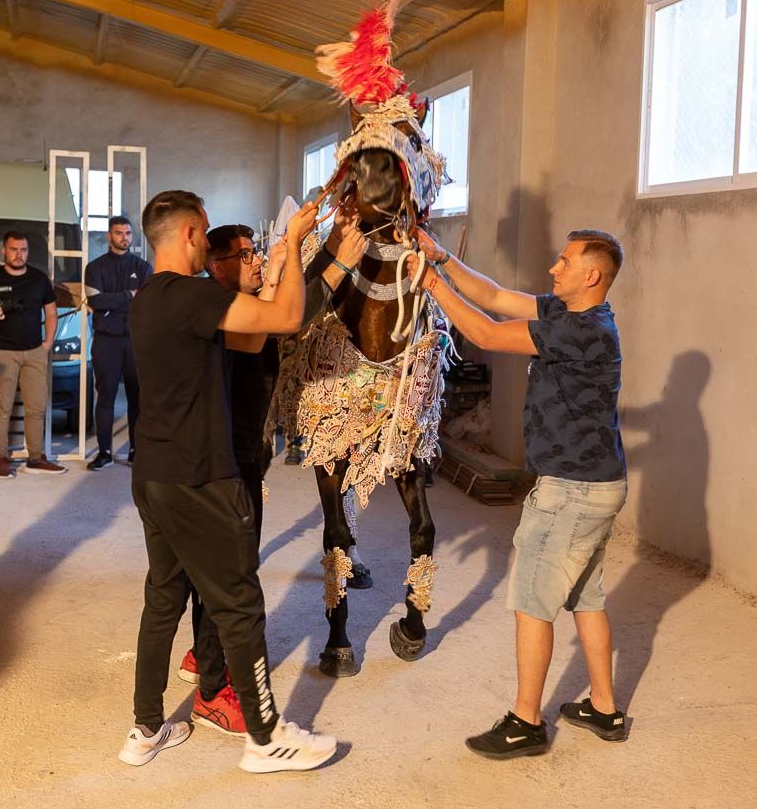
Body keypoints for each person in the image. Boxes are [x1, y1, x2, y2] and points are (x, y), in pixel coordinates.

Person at [119, 188, 337, 774]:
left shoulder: (147, 299)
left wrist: (283, 270)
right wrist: (291, 244)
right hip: (200, 479)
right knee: (239, 604)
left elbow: (251, 337)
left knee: (164, 597)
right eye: (207, 230)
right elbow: (288, 319)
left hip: (154, 476)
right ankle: (266, 740)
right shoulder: (196, 295)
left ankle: (144, 729)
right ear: (191, 234)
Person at [411, 228, 627, 758]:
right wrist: (441, 257)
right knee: (585, 595)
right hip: (597, 486)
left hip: (570, 491)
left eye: (564, 260)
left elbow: (484, 333)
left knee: (532, 601)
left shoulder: (585, 331)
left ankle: (525, 722)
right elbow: (493, 297)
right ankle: (603, 708)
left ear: (591, 275)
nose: (554, 268)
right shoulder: (570, 313)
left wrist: (431, 285)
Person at [178, 206, 369, 692]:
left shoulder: (234, 298)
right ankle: (217, 682)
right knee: (236, 570)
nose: (256, 261)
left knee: (218, 567)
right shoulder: (225, 310)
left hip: (234, 454)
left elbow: (285, 296)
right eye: (245, 256)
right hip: (231, 458)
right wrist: (337, 261)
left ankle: (204, 653)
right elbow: (291, 316)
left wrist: (315, 250)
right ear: (216, 266)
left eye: (255, 252)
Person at [0, 230, 66, 477]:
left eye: (23, 250)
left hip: (34, 352)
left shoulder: (39, 279)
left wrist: (47, 344)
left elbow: (51, 312)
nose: (19, 254)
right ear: (4, 251)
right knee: (2, 408)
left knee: (37, 407)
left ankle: (36, 458)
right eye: (14, 249)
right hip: (2, 352)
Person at [84, 217, 152, 470]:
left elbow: (145, 302)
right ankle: (104, 453)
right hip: (106, 342)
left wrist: (113, 301)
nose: (124, 237)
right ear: (109, 236)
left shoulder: (143, 267)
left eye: (127, 233)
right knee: (106, 399)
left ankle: (136, 451)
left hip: (136, 342)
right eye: (118, 233)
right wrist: (128, 296)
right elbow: (96, 302)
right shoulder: (95, 267)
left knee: (138, 400)